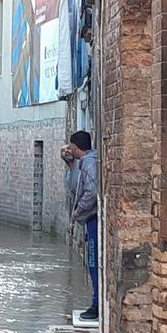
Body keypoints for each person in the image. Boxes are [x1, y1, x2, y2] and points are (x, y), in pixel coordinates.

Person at [63, 131, 99, 321]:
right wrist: (70, 165)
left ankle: (96, 306)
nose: (71, 150)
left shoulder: (89, 163)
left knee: (94, 263)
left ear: (77, 147)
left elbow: (91, 192)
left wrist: (78, 213)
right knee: (92, 264)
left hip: (93, 220)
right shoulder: (84, 164)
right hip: (90, 220)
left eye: (72, 147)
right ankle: (96, 303)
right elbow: (75, 186)